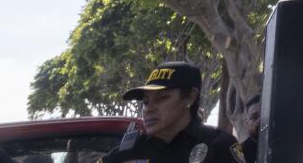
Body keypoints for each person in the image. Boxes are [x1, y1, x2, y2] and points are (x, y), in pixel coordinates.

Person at [100, 63, 240, 163]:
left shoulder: (218, 145)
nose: (149, 109)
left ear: (190, 97)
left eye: (161, 98)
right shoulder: (129, 151)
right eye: (146, 102)